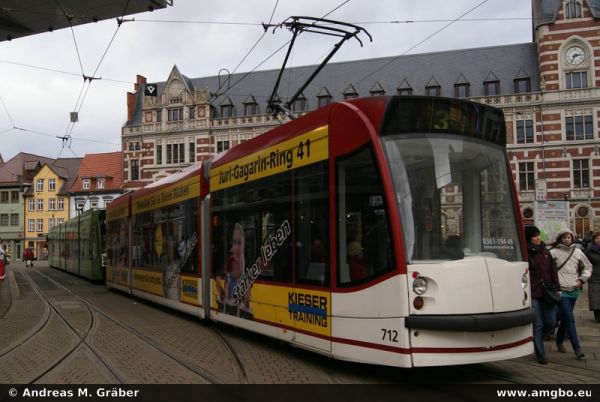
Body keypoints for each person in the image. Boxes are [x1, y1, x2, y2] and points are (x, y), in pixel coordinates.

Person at [549, 228, 592, 360]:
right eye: (564, 237)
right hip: (560, 291)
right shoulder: (553, 252)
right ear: (560, 239)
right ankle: (577, 348)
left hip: (573, 289)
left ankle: (559, 342)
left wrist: (582, 279)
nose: (567, 239)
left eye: (569, 237)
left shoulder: (578, 251)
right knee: (570, 318)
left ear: (572, 238)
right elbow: (546, 270)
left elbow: (588, 267)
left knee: (564, 317)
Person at [525, 225, 560, 364]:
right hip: (534, 293)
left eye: (538, 235)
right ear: (529, 238)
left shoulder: (545, 252)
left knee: (551, 322)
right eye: (534, 236)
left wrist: (557, 288)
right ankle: (540, 353)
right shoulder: (525, 253)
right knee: (538, 324)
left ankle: (536, 339)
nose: (538, 238)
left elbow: (553, 271)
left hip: (548, 292)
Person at [584, 231, 600, 322]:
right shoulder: (589, 250)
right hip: (594, 277)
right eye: (597, 238)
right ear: (593, 240)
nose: (599, 240)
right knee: (595, 297)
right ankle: (597, 315)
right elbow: (585, 262)